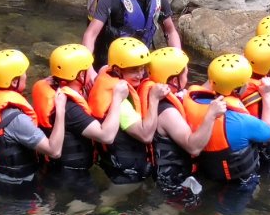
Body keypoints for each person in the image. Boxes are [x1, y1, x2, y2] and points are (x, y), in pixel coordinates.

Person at [31, 43, 127, 204]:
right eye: (87, 69)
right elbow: (106, 136)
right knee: (92, 205)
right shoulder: (70, 107)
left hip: (55, 168)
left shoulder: (54, 88)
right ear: (80, 74)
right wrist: (117, 98)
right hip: (70, 172)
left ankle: (57, 213)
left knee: (55, 202)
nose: (90, 71)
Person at [0, 49, 66, 195]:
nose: (26, 76)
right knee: (43, 212)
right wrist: (61, 109)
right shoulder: (16, 119)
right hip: (17, 182)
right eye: (23, 73)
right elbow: (54, 151)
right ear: (14, 81)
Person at [139, 47, 226, 201]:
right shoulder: (167, 112)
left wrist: (220, 74)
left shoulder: (167, 93)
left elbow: (195, 93)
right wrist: (211, 115)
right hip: (173, 183)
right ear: (174, 80)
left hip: (170, 176)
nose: (188, 74)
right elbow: (193, 147)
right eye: (186, 72)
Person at [183, 53, 270, 186]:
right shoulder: (242, 122)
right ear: (238, 89)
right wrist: (266, 95)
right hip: (236, 184)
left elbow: (210, 85)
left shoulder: (191, 96)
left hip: (205, 172)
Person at [87, 37, 165, 185]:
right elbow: (146, 135)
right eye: (134, 70)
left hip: (112, 166)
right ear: (117, 70)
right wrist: (154, 99)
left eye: (142, 68)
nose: (140, 75)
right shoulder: (121, 103)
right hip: (125, 174)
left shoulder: (105, 76)